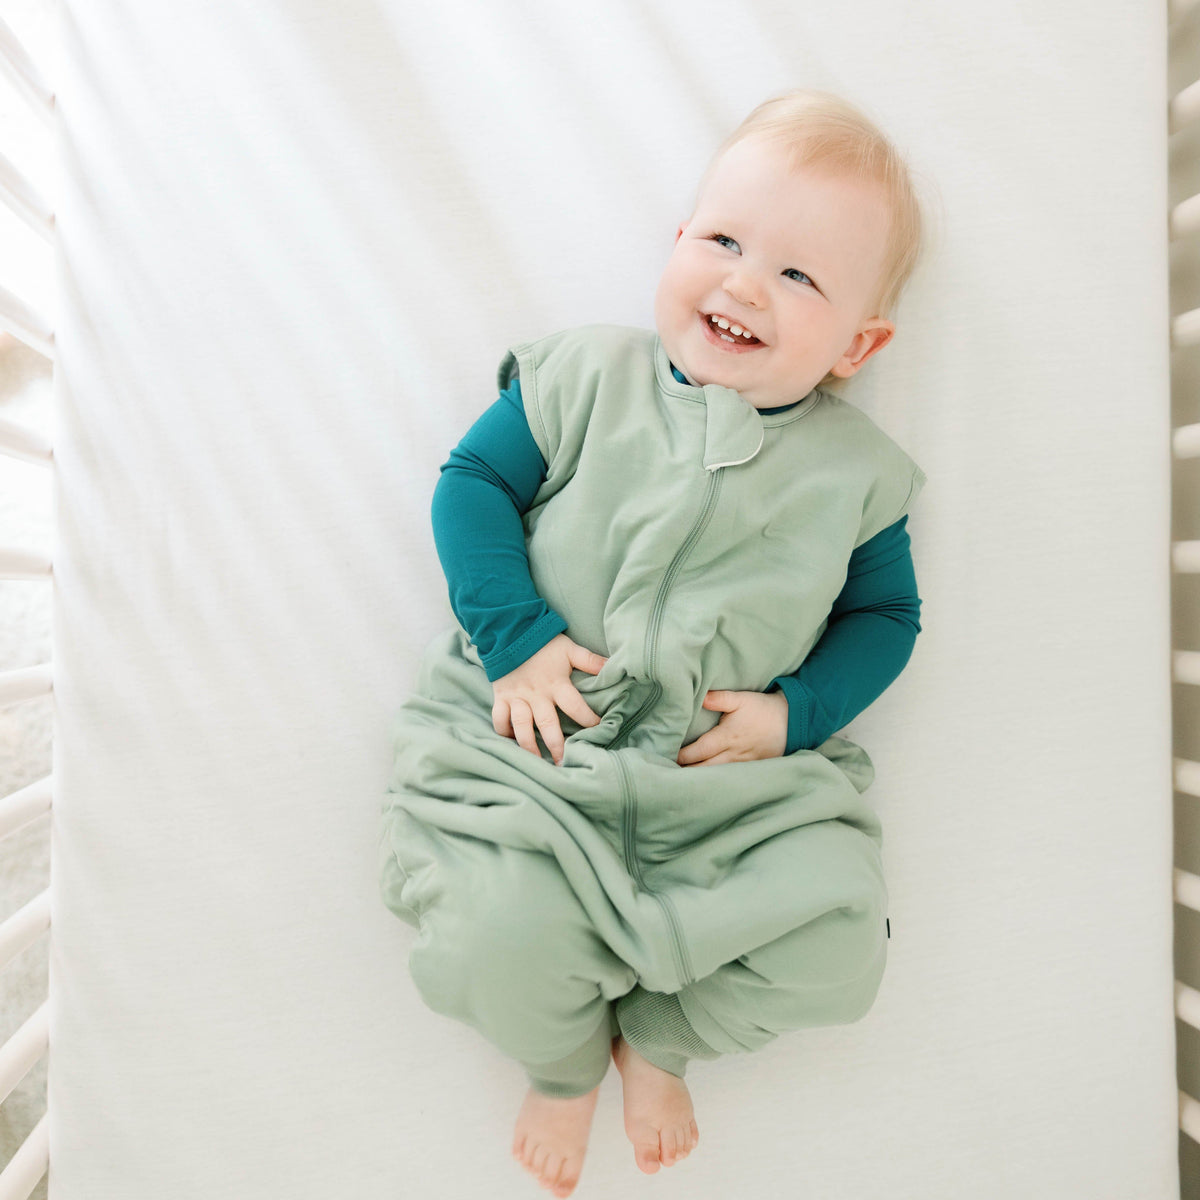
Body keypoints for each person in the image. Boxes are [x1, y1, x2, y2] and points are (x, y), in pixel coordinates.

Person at [380, 88, 929, 1198]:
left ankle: (661, 1035)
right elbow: (473, 486)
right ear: (678, 240)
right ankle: (567, 1058)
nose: (742, 282)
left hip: (726, 796)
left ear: (858, 345)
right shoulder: (586, 378)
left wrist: (797, 713)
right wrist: (515, 638)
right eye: (724, 240)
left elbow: (886, 619)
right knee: (488, 933)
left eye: (798, 275)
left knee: (839, 942)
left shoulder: (856, 478)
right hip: (536, 755)